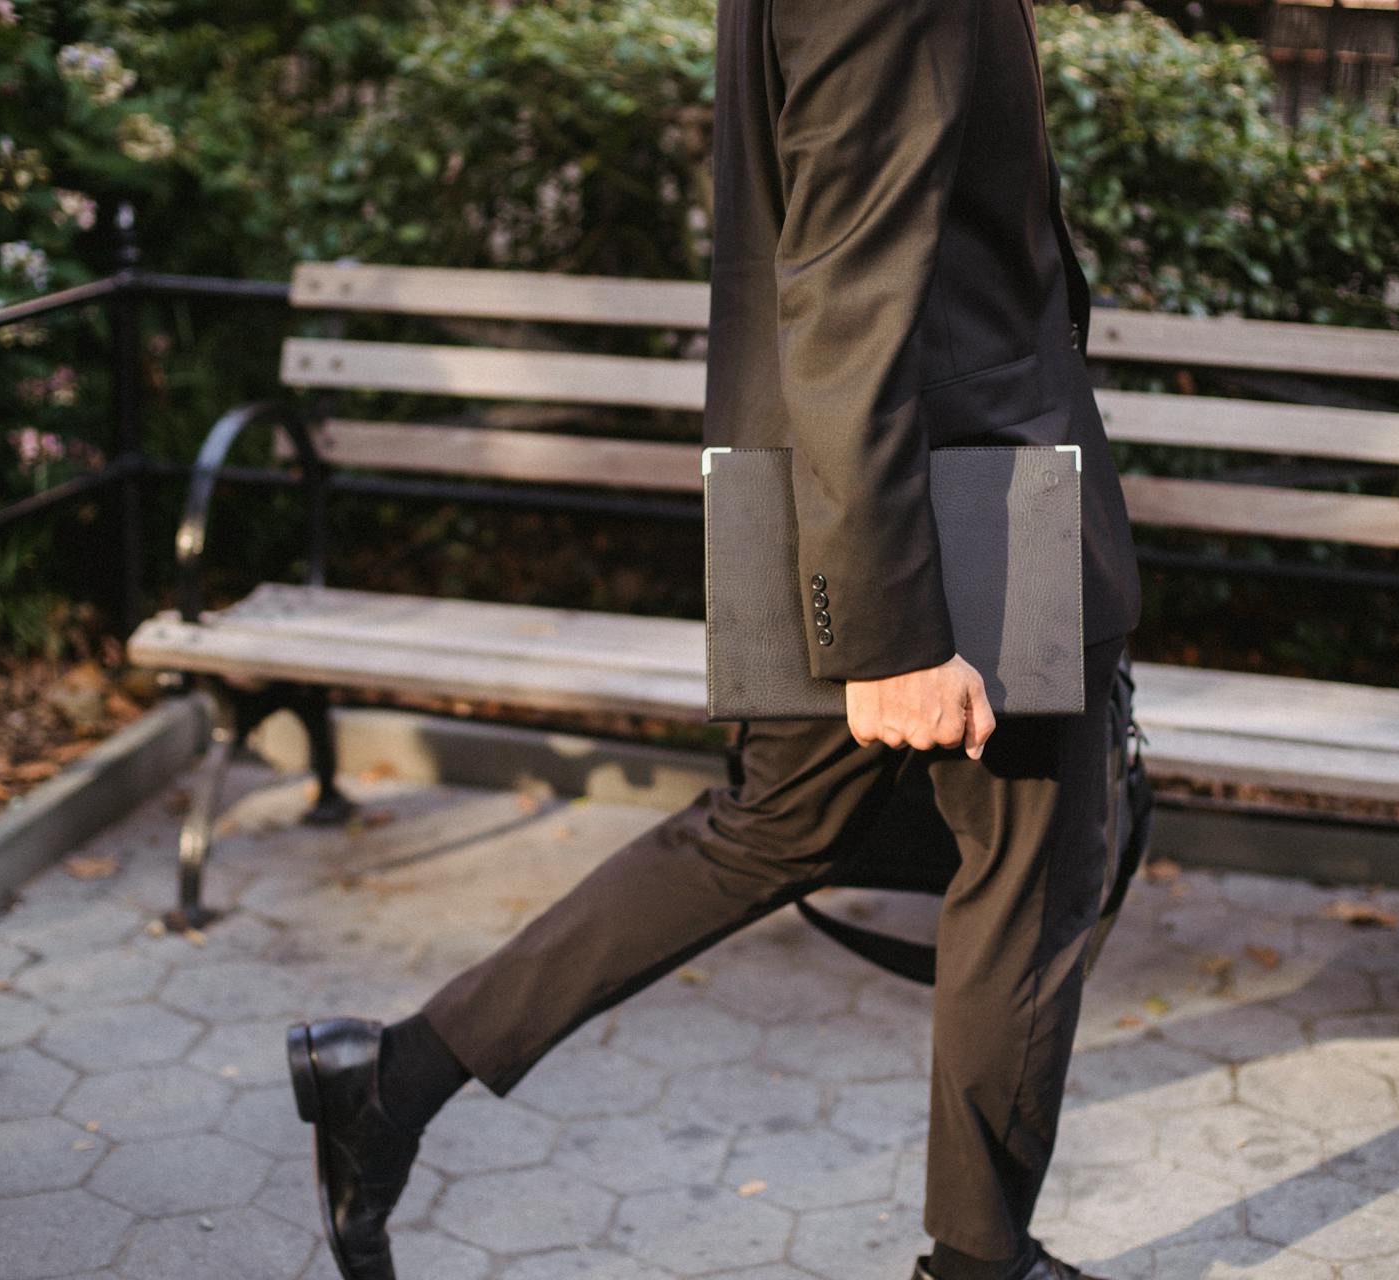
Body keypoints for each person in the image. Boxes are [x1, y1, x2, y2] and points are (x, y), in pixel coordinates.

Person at [285, 0, 1143, 1277]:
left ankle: (393, 1076)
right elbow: (850, 284)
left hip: (866, 480)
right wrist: (891, 632)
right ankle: (979, 1263)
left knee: (775, 826)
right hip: (943, 498)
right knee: (1036, 859)